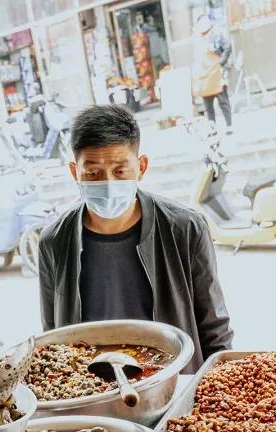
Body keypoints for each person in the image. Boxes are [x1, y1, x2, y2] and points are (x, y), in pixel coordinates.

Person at [38, 105, 233, 373]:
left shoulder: (185, 227)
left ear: (141, 167)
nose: (107, 183)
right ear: (75, 172)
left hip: (174, 384)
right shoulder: (54, 242)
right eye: (92, 173)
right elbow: (52, 339)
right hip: (91, 391)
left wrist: (216, 386)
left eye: (120, 171)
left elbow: (214, 327)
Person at [191, 15, 233, 133]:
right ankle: (212, 129)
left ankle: (229, 126)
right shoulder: (198, 39)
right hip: (204, 76)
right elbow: (196, 58)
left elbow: (227, 47)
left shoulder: (217, 35)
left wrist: (221, 61)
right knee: (208, 105)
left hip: (217, 73)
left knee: (223, 101)